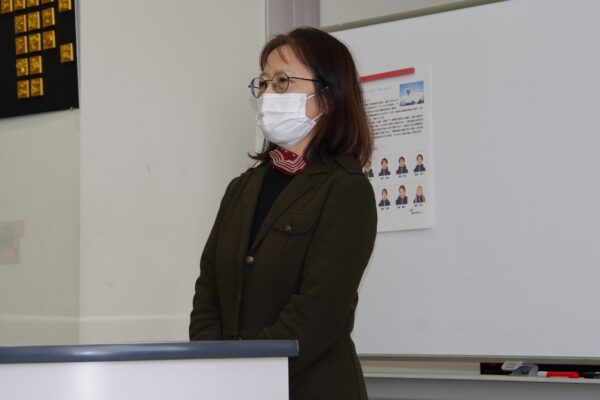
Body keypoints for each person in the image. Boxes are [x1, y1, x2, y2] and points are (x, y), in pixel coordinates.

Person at [189, 27, 377, 400]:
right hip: (235, 387)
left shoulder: (346, 189)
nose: (268, 94)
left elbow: (318, 310)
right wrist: (214, 366)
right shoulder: (241, 188)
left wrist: (250, 371)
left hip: (312, 387)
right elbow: (208, 292)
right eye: (264, 83)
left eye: (282, 82)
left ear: (328, 97)